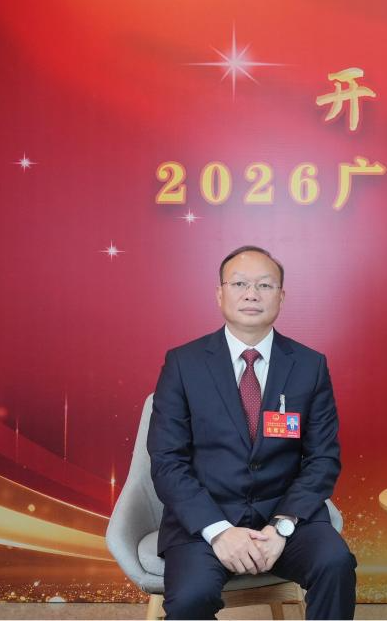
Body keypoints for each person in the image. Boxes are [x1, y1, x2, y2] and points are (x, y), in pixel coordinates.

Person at [148, 246, 356, 619]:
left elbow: (323, 459)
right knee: (191, 597)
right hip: (205, 521)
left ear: (281, 296)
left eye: (264, 285)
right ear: (220, 294)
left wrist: (282, 526)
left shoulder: (309, 365)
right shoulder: (183, 364)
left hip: (283, 516)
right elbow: (167, 462)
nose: (251, 294)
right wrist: (218, 531)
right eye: (239, 284)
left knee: (335, 563)